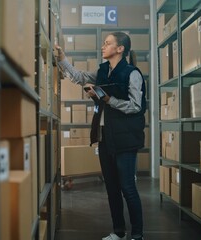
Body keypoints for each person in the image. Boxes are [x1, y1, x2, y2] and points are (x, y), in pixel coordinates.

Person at [55, 32, 146, 240]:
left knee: (128, 188)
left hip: (125, 140)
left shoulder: (133, 73)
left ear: (120, 48)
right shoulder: (103, 71)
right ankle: (119, 232)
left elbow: (136, 106)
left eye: (107, 43)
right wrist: (62, 59)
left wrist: (107, 99)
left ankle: (138, 235)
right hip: (105, 138)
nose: (103, 46)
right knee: (112, 188)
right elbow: (78, 78)